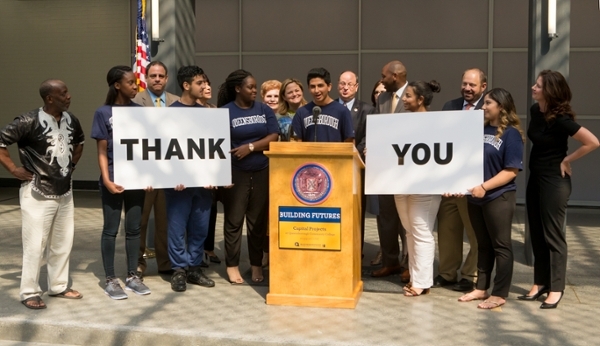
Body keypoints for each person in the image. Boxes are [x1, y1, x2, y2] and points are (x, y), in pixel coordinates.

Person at [0, 80, 85, 309]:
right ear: (50, 98)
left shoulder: (71, 119)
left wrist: (71, 168)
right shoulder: (28, 121)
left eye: (67, 92)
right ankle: (29, 291)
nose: (69, 96)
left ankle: (58, 286)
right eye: (63, 93)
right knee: (35, 245)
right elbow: (1, 141)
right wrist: (13, 169)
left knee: (62, 242)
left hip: (65, 190)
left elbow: (79, 143)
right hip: (36, 191)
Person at [520, 70, 599, 309]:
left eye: (538, 85)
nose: (533, 88)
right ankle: (540, 282)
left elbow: (593, 142)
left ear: (550, 91)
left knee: (553, 235)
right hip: (535, 177)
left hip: (555, 180)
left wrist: (567, 160)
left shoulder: (561, 119)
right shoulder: (536, 111)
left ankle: (556, 288)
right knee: (536, 231)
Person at [456, 88, 524, 309]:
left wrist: (484, 187)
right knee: (483, 244)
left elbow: (511, 171)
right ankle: (481, 288)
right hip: (475, 197)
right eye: (484, 103)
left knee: (501, 246)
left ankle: (500, 293)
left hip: (498, 196)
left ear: (501, 107)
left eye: (488, 103)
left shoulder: (511, 134)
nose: (483, 107)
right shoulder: (478, 129)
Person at [91, 65, 151, 300]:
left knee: (134, 229)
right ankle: (109, 279)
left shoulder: (140, 111)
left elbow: (147, 148)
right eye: (130, 83)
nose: (135, 86)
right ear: (117, 85)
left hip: (137, 180)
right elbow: (102, 151)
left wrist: (149, 176)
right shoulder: (103, 112)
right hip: (114, 179)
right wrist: (106, 180)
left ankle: (132, 276)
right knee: (111, 229)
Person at [217, 69, 279, 284]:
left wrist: (251, 147)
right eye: (250, 87)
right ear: (237, 89)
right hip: (236, 172)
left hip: (262, 170)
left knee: (257, 221)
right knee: (234, 221)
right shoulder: (225, 111)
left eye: (255, 87)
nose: (254, 90)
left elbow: (274, 135)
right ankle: (232, 266)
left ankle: (255, 264)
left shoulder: (263, 109)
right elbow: (218, 144)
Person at [434, 68, 487, 292]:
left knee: (475, 234)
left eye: (472, 85)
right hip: (449, 183)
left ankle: (470, 275)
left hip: (474, 184)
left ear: (483, 87)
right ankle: (447, 273)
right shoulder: (450, 106)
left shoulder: (489, 107)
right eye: (464, 83)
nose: (467, 88)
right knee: (447, 231)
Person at [166, 66, 216, 292]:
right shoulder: (169, 113)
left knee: (200, 227)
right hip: (178, 185)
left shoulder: (207, 114)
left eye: (205, 83)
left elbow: (213, 149)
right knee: (177, 227)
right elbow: (164, 149)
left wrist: (215, 174)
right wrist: (172, 175)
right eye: (199, 83)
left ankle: (194, 267)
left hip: (203, 184)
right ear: (186, 86)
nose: (204, 87)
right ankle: (178, 269)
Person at [395, 80, 442, 297]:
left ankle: (422, 281)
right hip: (400, 184)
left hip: (425, 187)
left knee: (421, 231)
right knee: (410, 232)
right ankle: (416, 277)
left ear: (420, 100)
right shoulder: (399, 122)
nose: (403, 100)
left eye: (408, 96)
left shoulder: (437, 123)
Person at [132, 60, 178, 277]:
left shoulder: (178, 103)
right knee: (140, 220)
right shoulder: (134, 102)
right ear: (146, 78)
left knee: (165, 220)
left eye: (161, 76)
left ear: (166, 79)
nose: (157, 79)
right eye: (153, 76)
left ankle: (165, 263)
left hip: (169, 172)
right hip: (143, 172)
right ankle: (138, 263)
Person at [370, 61, 409, 282]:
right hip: (385, 167)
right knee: (386, 217)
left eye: (384, 76)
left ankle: (408, 264)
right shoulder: (383, 98)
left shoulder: (414, 94)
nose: (382, 79)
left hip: (406, 167)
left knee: (407, 220)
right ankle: (390, 262)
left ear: (395, 76)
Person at [336, 71, 374, 252]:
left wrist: (351, 155)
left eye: (349, 84)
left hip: (354, 167)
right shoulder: (330, 107)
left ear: (356, 87)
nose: (345, 87)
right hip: (331, 168)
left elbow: (368, 137)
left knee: (355, 211)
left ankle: (356, 251)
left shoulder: (366, 109)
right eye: (342, 83)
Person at [196, 73, 221, 267]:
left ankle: (208, 248)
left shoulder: (215, 110)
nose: (207, 87)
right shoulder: (188, 109)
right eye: (203, 84)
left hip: (211, 167)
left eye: (209, 84)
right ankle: (195, 252)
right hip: (192, 166)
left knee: (210, 209)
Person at [291, 67, 354, 143]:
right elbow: (297, 142)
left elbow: (349, 142)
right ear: (308, 88)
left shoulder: (342, 111)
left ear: (329, 87)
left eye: (320, 86)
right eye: (312, 87)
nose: (316, 90)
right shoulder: (301, 112)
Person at [368, 80, 386, 266]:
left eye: (383, 91)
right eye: (376, 92)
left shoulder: (398, 112)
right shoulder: (370, 113)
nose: (379, 95)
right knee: (382, 216)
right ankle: (385, 252)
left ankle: (406, 256)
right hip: (376, 171)